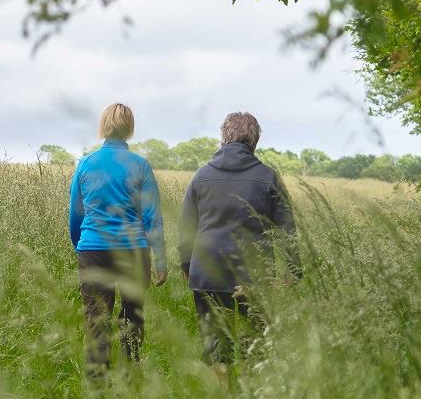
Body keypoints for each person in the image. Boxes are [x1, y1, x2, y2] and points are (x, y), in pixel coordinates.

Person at [178, 112, 298, 371]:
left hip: (207, 271)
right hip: (254, 274)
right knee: (253, 343)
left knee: (215, 343)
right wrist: (292, 269)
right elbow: (287, 228)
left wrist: (187, 265)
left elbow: (187, 226)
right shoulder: (268, 177)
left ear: (224, 138)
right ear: (254, 141)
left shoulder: (201, 175)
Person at [68, 103, 166, 379]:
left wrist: (81, 245)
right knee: (132, 316)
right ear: (129, 128)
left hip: (93, 249)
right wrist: (160, 259)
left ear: (104, 127)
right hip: (133, 250)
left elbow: (75, 214)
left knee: (97, 320)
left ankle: (98, 384)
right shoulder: (140, 166)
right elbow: (152, 217)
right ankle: (131, 375)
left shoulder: (86, 164)